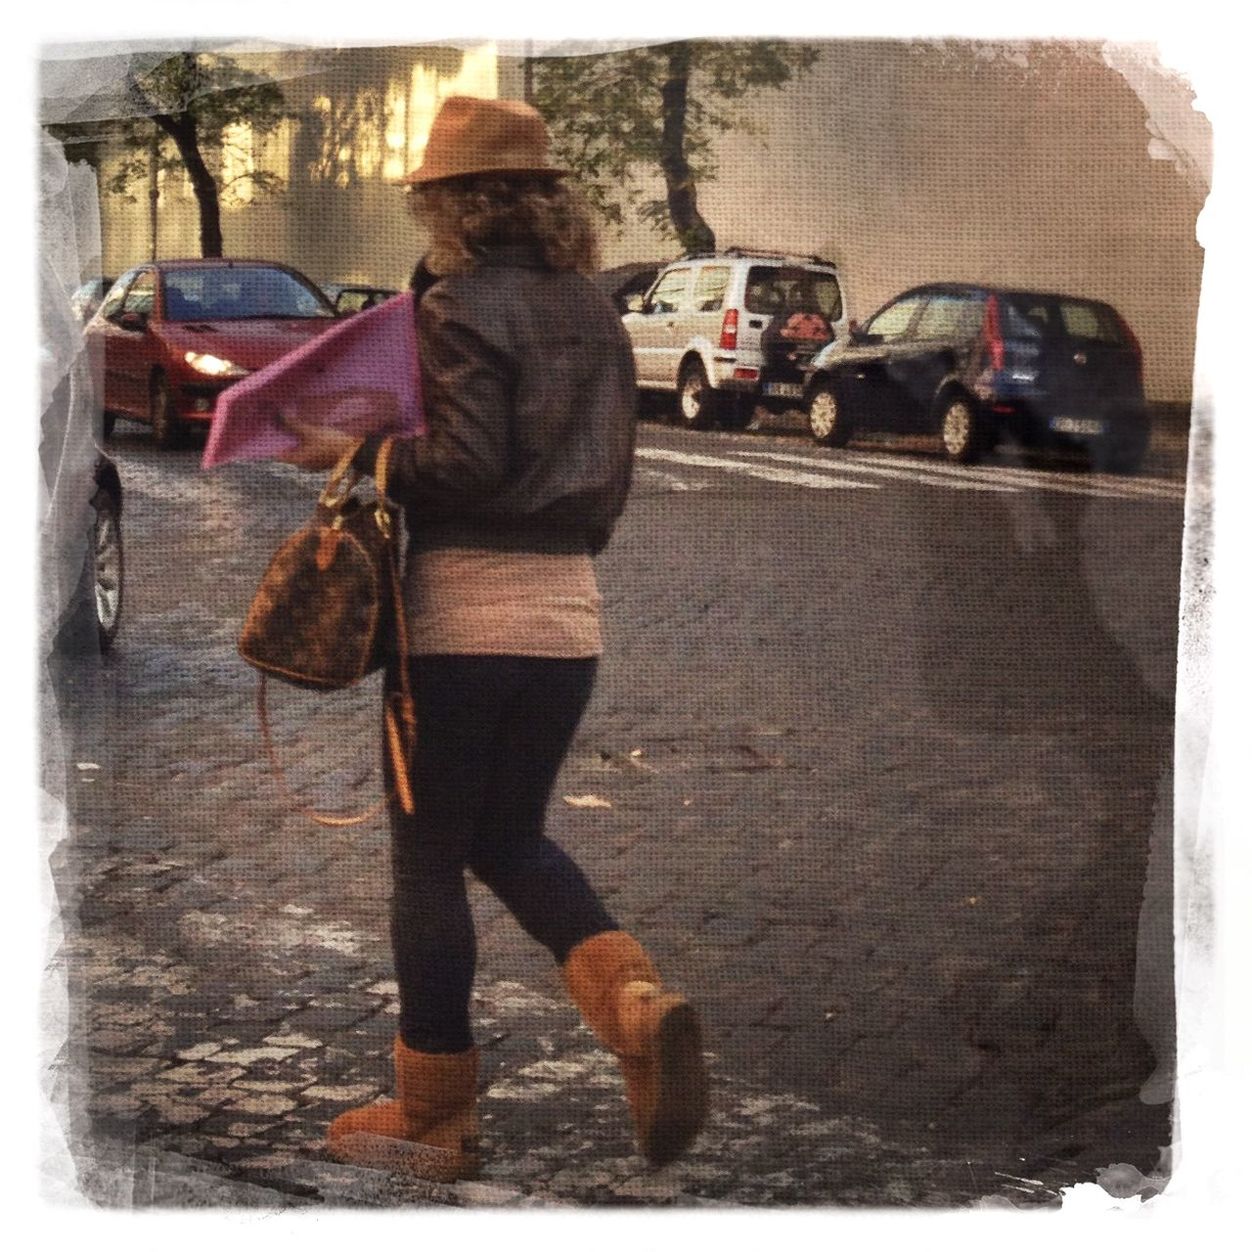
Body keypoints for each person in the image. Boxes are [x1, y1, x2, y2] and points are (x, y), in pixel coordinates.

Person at [278, 95, 709, 1181]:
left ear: (454, 205)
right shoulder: (593, 310)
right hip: (567, 617)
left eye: (430, 199)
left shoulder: (460, 306)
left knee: (427, 861)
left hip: (463, 619)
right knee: (507, 835)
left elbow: (465, 465)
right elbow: (601, 474)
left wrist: (355, 450)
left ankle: (434, 1115)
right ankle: (632, 1005)